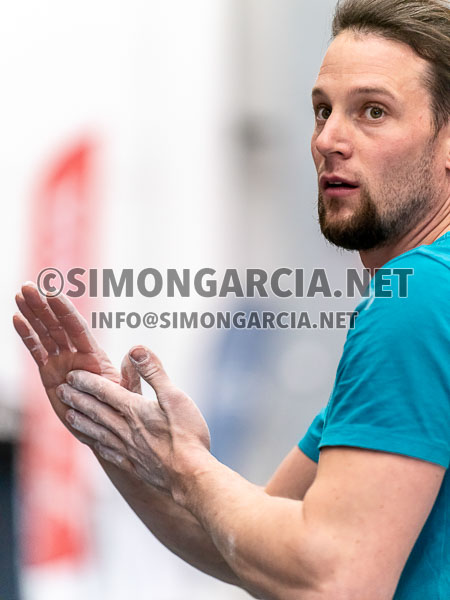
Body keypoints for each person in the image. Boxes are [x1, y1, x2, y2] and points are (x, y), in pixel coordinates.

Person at [13, 0, 450, 598]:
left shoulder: (415, 298)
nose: (328, 139)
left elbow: (332, 577)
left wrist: (186, 463)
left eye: (373, 111)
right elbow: (256, 547)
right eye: (322, 110)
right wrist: (121, 439)